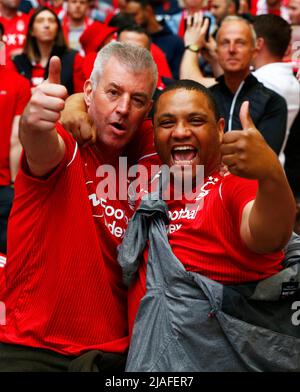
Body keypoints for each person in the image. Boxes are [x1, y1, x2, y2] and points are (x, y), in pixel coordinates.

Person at [118, 79, 299, 372]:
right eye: (167, 123)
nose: (180, 131)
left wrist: (271, 175)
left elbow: (269, 237)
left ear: (218, 129)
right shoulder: (153, 184)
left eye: (195, 120)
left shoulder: (233, 183)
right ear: (154, 134)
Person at [0, 41, 158, 371]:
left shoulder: (153, 150)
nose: (124, 108)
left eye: (138, 99)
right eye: (112, 93)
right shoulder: (67, 140)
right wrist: (33, 121)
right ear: (89, 92)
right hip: (34, 348)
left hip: (116, 356)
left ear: (149, 108)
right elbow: (41, 145)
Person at [180, 14, 288, 155]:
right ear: (217, 51)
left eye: (240, 43)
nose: (232, 49)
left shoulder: (272, 101)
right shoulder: (204, 100)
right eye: (225, 43)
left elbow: (266, 160)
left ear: (254, 51)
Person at [252, 14, 300, 165]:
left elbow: (196, 84)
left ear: (257, 43)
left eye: (243, 41)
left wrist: (192, 48)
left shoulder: (262, 81)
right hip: (276, 169)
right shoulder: (292, 81)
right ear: (286, 50)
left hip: (254, 172)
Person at [0, 22, 31, 255]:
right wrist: (13, 181)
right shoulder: (19, 83)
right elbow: (15, 138)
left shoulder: (19, 83)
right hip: (4, 183)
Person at [12, 6, 85, 94]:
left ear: (58, 28)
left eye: (51, 21)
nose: (46, 25)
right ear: (31, 30)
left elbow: (81, 96)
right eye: (40, 21)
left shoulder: (74, 58)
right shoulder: (18, 61)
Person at [124, 0, 185, 79]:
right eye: (128, 16)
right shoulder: (128, 39)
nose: (131, 20)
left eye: (134, 15)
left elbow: (178, 79)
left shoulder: (175, 42)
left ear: (148, 10)